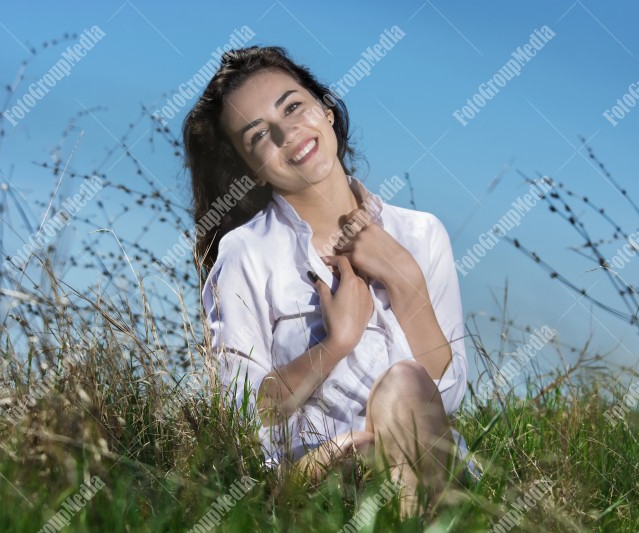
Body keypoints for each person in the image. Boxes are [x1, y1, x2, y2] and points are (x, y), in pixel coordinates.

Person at [183, 45, 481, 517]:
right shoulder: (246, 254)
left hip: (425, 456)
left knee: (406, 383)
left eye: (293, 107)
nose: (287, 133)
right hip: (314, 473)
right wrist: (336, 343)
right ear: (249, 168)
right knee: (364, 444)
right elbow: (242, 413)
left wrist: (405, 278)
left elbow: (446, 394)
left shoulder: (421, 234)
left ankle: (410, 512)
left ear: (325, 109)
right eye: (259, 135)